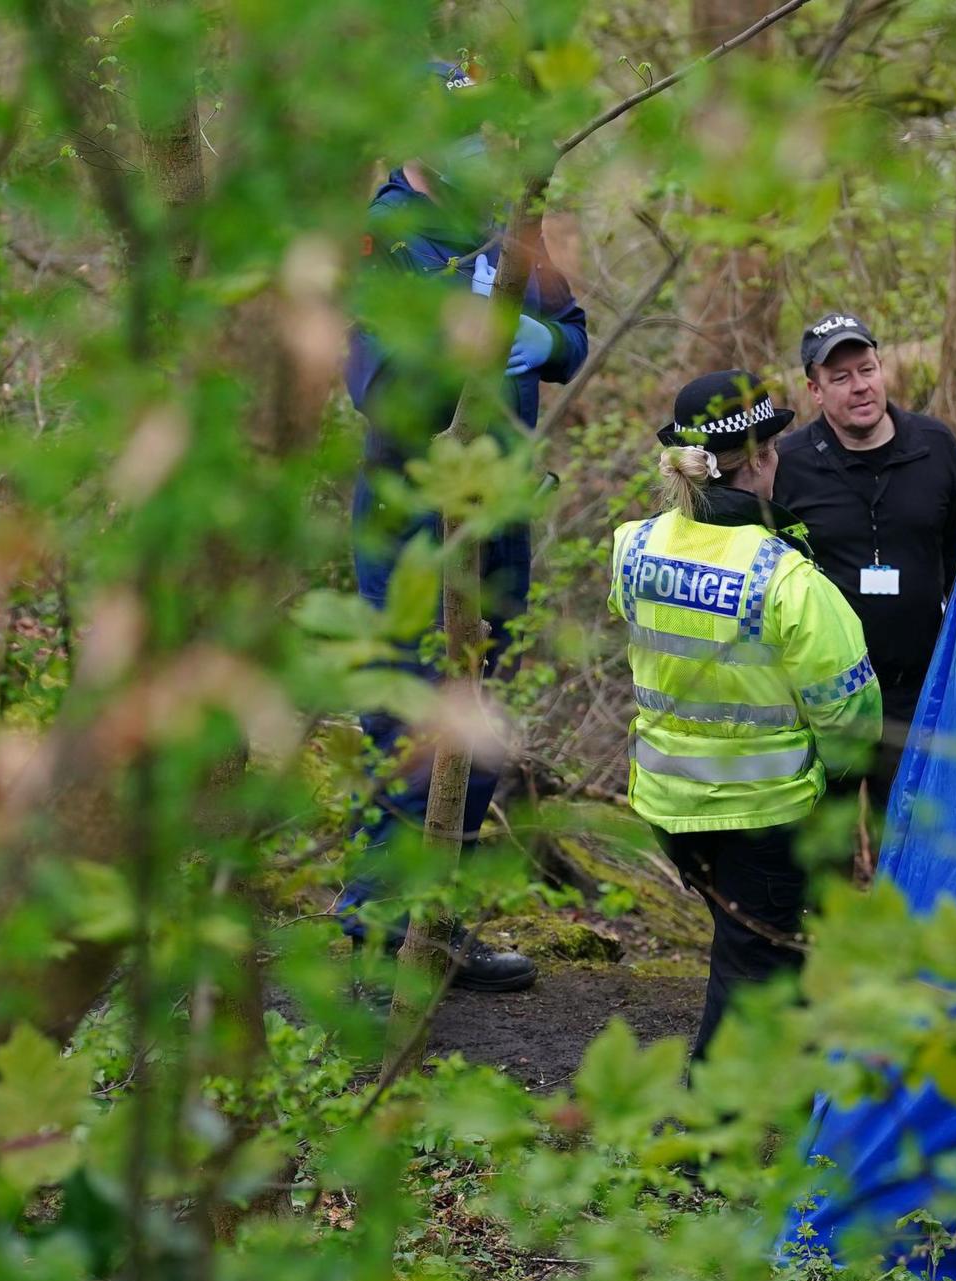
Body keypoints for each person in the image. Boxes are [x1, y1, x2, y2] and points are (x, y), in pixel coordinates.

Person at [336, 60, 591, 993]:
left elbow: (575, 334)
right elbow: (380, 392)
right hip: (412, 524)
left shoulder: (505, 225)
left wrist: (540, 340)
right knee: (406, 716)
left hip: (499, 516)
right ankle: (375, 934)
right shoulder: (385, 237)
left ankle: (435, 922)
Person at [619, 370, 884, 1058]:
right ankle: (711, 1144)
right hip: (763, 820)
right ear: (764, 458)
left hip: (668, 809)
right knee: (749, 973)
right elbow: (853, 722)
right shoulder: (788, 582)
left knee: (752, 952)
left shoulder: (633, 549)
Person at [772, 312, 956, 859]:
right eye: (840, 378)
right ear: (814, 390)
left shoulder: (936, 447)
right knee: (824, 857)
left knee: (908, 846)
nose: (860, 387)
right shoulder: (787, 467)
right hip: (827, 699)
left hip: (915, 689)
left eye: (867, 369)